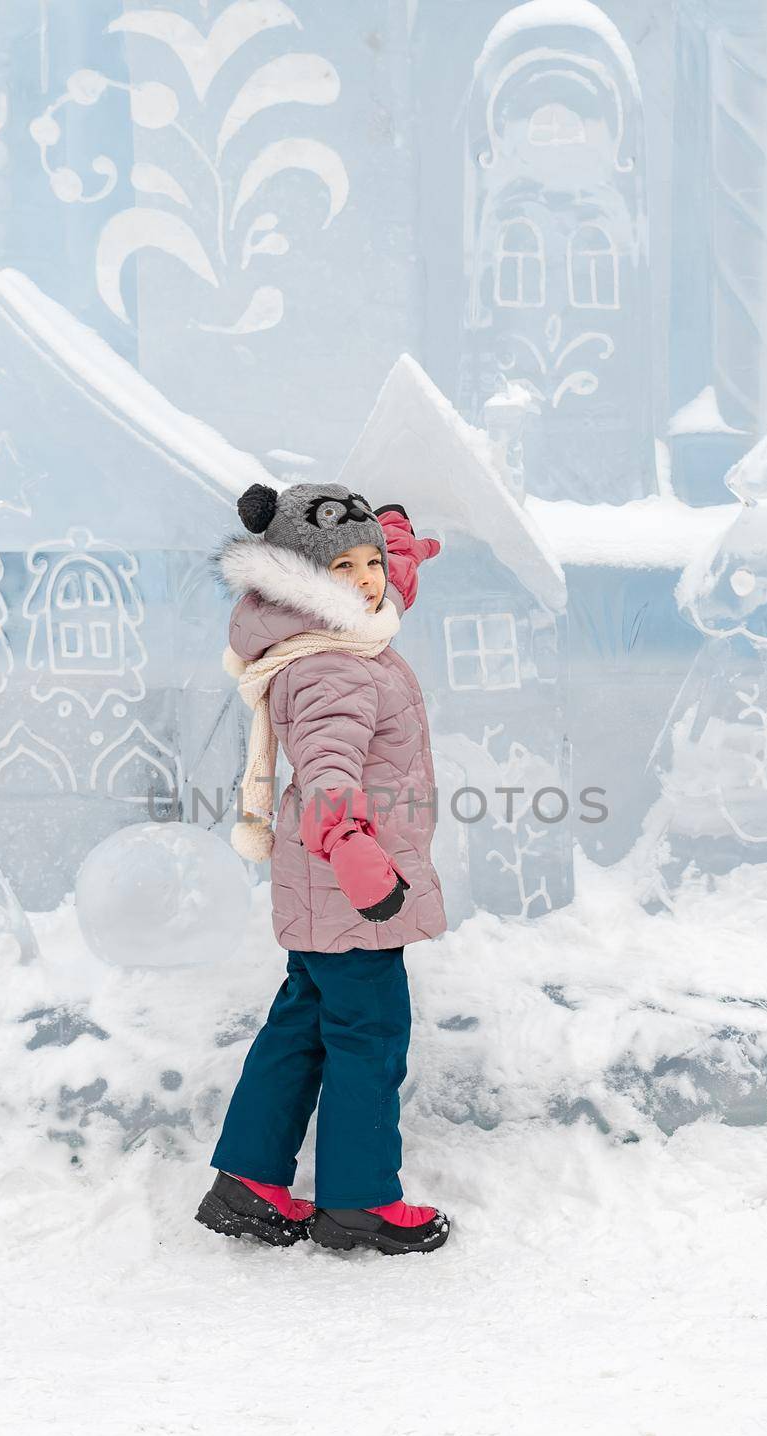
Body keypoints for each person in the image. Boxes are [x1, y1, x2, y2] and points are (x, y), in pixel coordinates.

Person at [196, 482, 451, 1257]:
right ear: (302, 582)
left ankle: (249, 1181)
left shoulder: (328, 634)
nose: (370, 579)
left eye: (373, 561)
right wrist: (353, 851)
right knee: (369, 1036)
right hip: (354, 889)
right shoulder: (335, 668)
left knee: (304, 1026)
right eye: (345, 565)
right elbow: (327, 766)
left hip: (323, 893)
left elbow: (382, 584)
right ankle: (361, 1201)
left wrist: (392, 542)